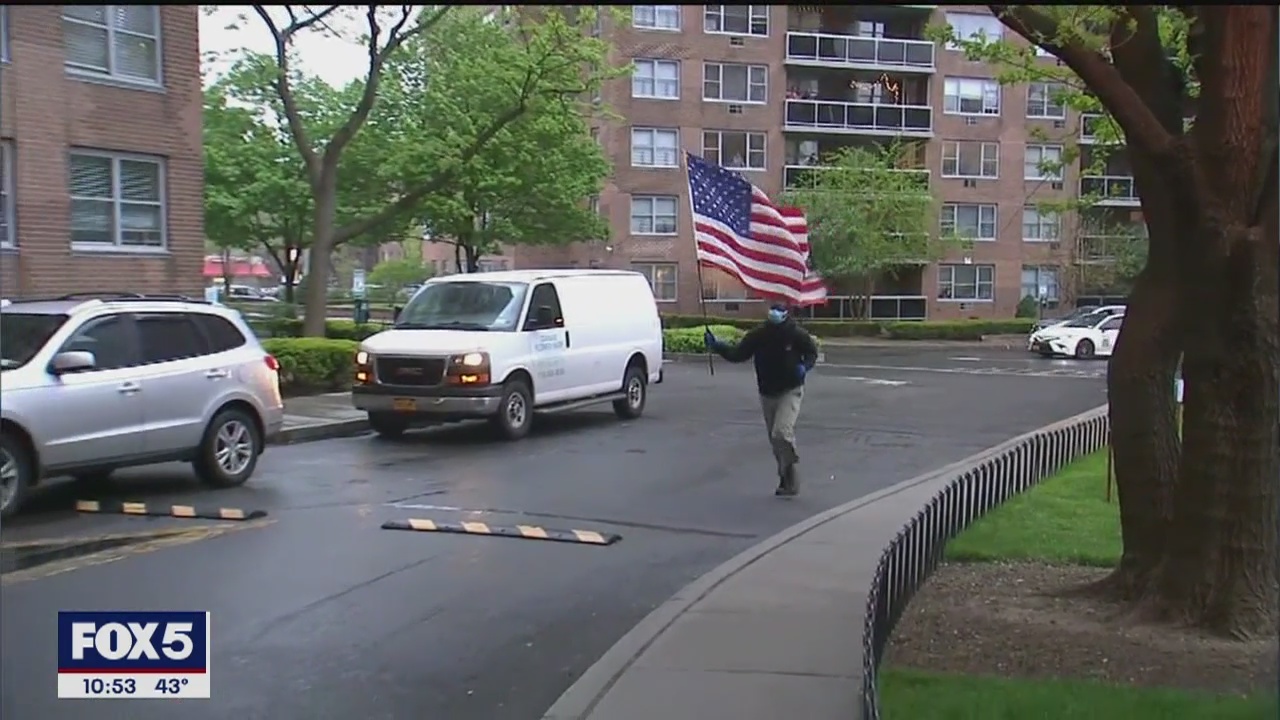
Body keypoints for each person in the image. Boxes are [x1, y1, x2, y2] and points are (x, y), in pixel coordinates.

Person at [704, 303, 819, 496]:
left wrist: (804, 367)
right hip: (767, 392)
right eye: (772, 311)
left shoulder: (795, 334)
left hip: (790, 390)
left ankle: (790, 469)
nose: (774, 314)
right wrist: (717, 346)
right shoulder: (759, 334)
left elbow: (811, 353)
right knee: (775, 440)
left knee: (781, 432)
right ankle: (786, 476)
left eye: (778, 311)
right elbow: (738, 354)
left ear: (785, 314)